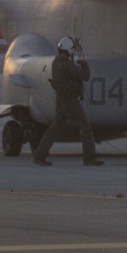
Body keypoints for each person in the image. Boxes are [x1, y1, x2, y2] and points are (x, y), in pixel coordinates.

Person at [33, 37, 101, 166]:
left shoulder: (55, 62)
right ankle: (89, 158)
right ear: (69, 49)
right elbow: (85, 76)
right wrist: (84, 65)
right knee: (85, 126)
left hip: (60, 99)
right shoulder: (68, 65)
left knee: (54, 128)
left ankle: (39, 155)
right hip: (70, 100)